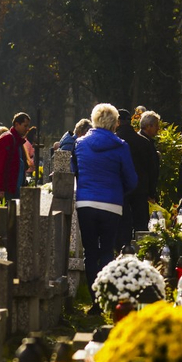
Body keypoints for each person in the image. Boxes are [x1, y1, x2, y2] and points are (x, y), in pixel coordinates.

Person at [72, 103, 137, 315]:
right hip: (111, 203)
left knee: (90, 252)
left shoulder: (80, 144)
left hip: (86, 203)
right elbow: (132, 180)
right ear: (115, 122)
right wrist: (118, 192)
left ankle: (95, 302)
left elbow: (76, 172)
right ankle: (107, 298)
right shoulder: (121, 146)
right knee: (107, 250)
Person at [115, 109, 156, 251]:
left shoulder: (115, 140)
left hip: (121, 189)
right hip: (140, 189)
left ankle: (122, 253)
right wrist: (152, 192)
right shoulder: (144, 142)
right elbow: (152, 170)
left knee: (122, 225)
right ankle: (143, 254)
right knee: (141, 226)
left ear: (117, 121)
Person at [0, 112, 31, 200]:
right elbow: (1, 165)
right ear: (17, 124)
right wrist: (1, 188)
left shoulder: (17, 140)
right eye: (25, 126)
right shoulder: (7, 139)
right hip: (8, 188)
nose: (28, 129)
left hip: (15, 187)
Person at [138, 111, 160, 203]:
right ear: (148, 126)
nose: (158, 129)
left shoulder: (148, 141)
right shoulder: (142, 142)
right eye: (156, 126)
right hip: (143, 193)